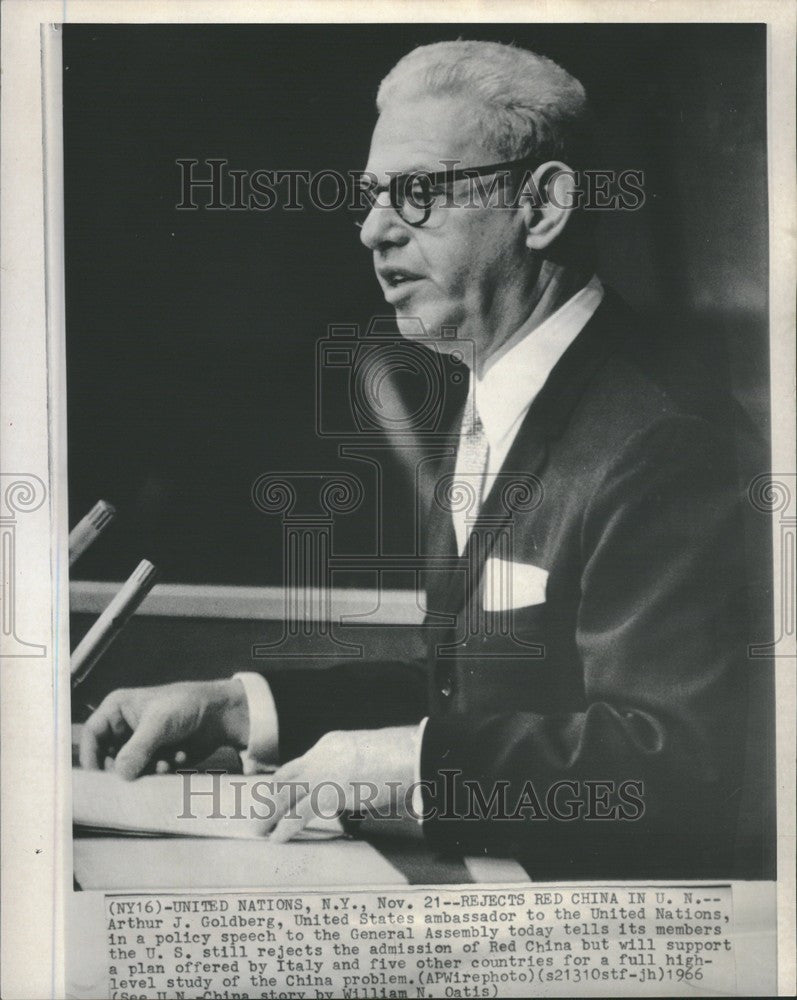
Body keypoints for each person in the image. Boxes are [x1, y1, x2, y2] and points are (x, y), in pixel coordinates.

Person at [80, 40, 751, 878]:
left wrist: (406, 766)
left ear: (540, 207)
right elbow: (472, 691)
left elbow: (678, 764)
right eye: (370, 197)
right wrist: (237, 708)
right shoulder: (493, 398)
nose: (372, 229)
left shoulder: (660, 438)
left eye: (418, 193)